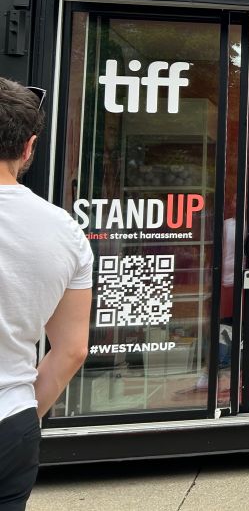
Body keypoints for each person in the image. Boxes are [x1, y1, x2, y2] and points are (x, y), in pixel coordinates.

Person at [0, 78, 93, 510]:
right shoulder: (67, 232)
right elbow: (72, 350)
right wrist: (24, 414)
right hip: (11, 421)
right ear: (29, 147)